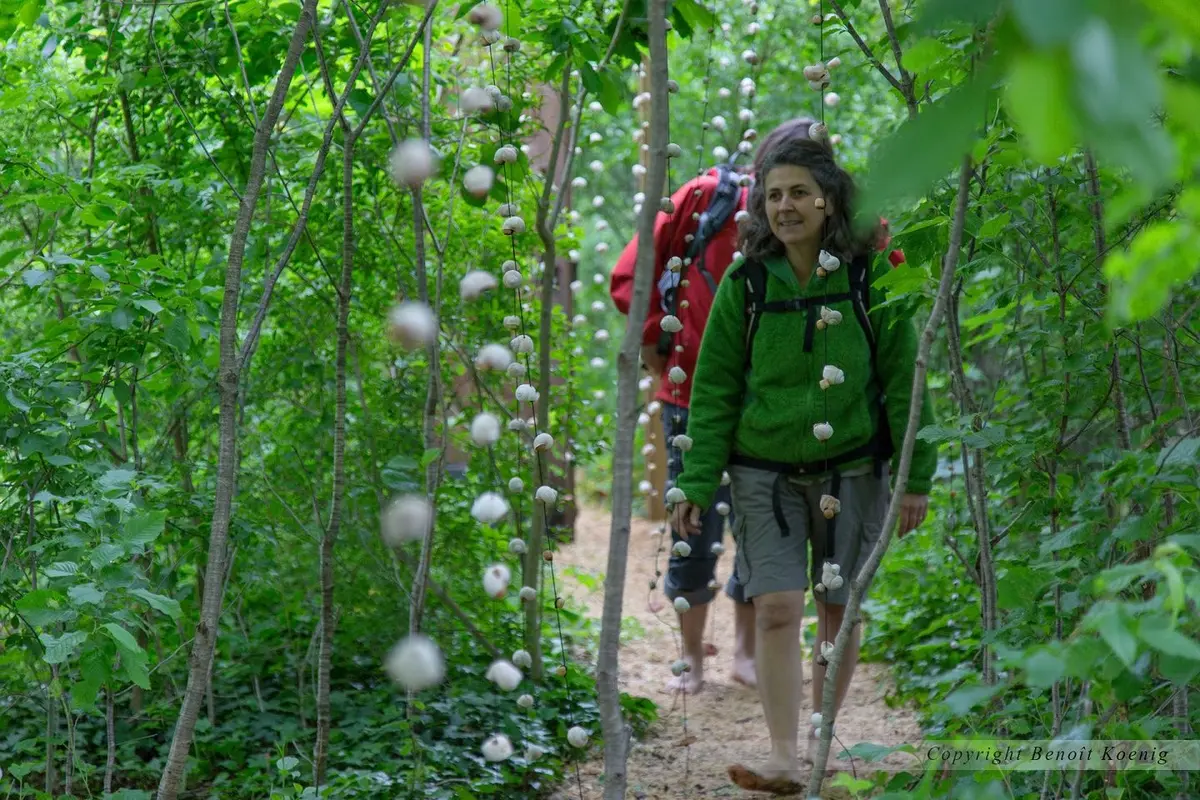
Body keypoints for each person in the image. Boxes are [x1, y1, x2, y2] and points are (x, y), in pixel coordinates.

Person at [669, 134, 936, 792]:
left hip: (855, 469)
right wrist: (695, 481)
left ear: (828, 200)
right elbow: (715, 389)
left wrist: (915, 478)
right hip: (765, 473)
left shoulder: (870, 273)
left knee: (839, 607)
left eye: (799, 193)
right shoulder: (747, 282)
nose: (785, 206)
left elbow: (906, 380)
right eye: (774, 195)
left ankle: (820, 741)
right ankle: (785, 757)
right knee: (780, 607)